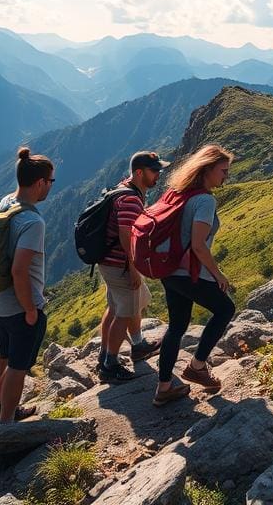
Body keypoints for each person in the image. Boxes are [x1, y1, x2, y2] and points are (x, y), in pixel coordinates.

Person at [154, 144, 236, 408]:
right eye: (223, 171)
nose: (226, 176)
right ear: (207, 169)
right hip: (189, 272)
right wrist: (218, 274)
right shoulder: (205, 200)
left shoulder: (176, 193)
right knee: (225, 309)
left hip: (169, 271)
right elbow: (199, 246)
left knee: (177, 326)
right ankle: (197, 366)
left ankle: (163, 388)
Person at [0, 147, 55, 424]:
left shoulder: (5, 203)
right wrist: (31, 309)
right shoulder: (33, 222)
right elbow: (19, 270)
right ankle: (6, 425)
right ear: (40, 183)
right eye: (50, 182)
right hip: (18, 305)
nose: (50, 187)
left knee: (6, 355)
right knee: (18, 366)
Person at [97, 151, 170, 382]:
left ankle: (135, 346)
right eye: (154, 170)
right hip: (120, 264)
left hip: (109, 262)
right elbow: (126, 234)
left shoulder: (125, 188)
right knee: (124, 312)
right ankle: (110, 364)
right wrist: (134, 267)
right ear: (139, 172)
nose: (158, 174)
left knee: (119, 305)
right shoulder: (130, 198)